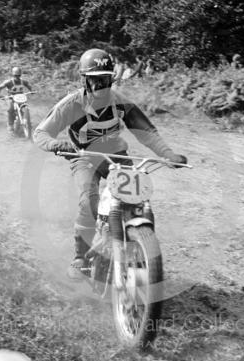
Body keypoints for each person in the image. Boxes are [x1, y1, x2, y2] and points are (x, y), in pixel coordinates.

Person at [33, 48, 187, 280]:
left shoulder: (122, 103)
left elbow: (147, 132)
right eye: (94, 80)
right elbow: (40, 133)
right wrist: (60, 145)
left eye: (104, 79)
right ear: (84, 80)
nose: (100, 86)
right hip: (83, 157)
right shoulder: (71, 104)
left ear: (112, 79)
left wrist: (168, 154)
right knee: (89, 200)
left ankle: (144, 247)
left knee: (139, 196)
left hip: (116, 154)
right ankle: (81, 257)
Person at [0, 66, 32, 132]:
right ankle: (10, 125)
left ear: (20, 75)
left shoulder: (23, 81)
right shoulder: (9, 82)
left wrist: (32, 91)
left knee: (25, 108)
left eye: (18, 75)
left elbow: (29, 86)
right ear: (13, 75)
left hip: (21, 98)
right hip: (12, 98)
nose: (17, 77)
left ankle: (26, 119)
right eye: (16, 75)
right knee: (10, 110)